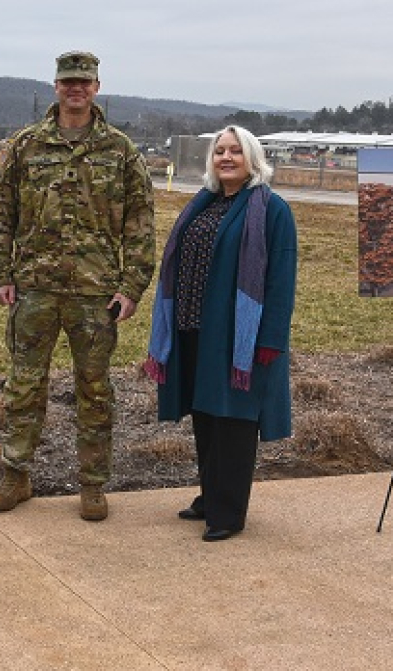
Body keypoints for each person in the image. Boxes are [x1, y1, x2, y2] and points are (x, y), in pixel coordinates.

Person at [0, 51, 156, 521]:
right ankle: (16, 474)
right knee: (23, 386)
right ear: (56, 86)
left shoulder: (119, 151)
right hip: (34, 288)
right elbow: (1, 213)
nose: (76, 89)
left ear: (97, 87)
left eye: (84, 82)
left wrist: (132, 286)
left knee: (95, 391)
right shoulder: (26, 146)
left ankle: (93, 484)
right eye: (68, 82)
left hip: (95, 294)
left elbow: (140, 224)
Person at [145, 125, 298, 542]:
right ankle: (212, 495)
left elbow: (281, 280)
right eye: (219, 151)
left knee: (234, 419)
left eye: (235, 151)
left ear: (252, 158)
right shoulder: (205, 204)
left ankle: (228, 512)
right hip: (194, 329)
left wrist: (270, 339)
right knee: (207, 415)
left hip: (238, 338)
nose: (226, 158)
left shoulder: (272, 210)